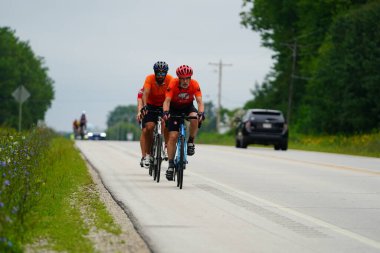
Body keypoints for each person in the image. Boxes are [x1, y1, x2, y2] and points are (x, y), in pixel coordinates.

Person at [162, 65, 205, 181]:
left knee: (195, 117)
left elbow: (200, 102)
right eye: (182, 78)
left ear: (190, 78)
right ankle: (171, 166)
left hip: (188, 107)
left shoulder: (195, 84)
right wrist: (165, 112)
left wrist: (201, 113)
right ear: (179, 78)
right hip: (174, 108)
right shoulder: (173, 84)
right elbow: (167, 101)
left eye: (187, 78)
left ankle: (190, 141)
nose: (185, 81)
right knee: (173, 136)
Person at [141, 61, 173, 169]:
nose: (160, 76)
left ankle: (166, 146)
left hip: (164, 106)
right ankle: (148, 155)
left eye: (163, 73)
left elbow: (172, 94)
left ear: (166, 73)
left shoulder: (170, 79)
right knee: (149, 127)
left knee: (167, 124)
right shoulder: (149, 78)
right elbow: (145, 93)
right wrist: (145, 106)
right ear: (155, 73)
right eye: (158, 73)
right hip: (151, 105)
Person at [136, 87, 146, 167]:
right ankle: (143, 156)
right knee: (144, 131)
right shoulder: (141, 92)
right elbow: (140, 104)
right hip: (145, 109)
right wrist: (139, 112)